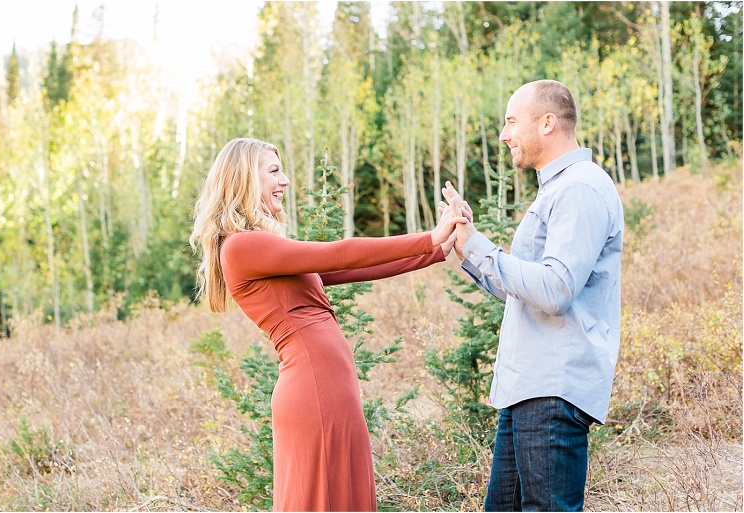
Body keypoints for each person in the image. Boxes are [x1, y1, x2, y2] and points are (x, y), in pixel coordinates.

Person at [189, 137, 465, 512]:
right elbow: (338, 251)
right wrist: (426, 238)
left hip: (327, 386)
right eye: (273, 171)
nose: (285, 180)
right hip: (315, 388)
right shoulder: (241, 246)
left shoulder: (259, 246)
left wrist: (434, 251)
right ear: (242, 180)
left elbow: (346, 267)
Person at [441, 80, 624, 511]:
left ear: (547, 123)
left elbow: (555, 289)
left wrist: (481, 247)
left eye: (510, 121)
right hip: (529, 389)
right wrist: (465, 246)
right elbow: (523, 292)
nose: (504, 135)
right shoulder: (558, 189)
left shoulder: (579, 188)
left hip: (552, 389)